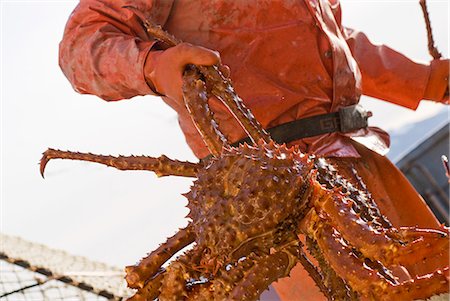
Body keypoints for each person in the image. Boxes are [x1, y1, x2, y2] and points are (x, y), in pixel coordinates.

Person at [59, 0, 449, 300]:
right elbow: (80, 46)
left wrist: (428, 81)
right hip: (278, 205)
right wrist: (151, 66)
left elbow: (329, 41)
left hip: (354, 158)